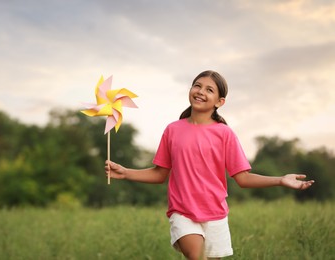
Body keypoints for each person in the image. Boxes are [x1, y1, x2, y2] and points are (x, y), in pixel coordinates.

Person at [104, 70, 314, 260]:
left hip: (215, 214)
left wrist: (280, 180)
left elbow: (243, 178)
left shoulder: (224, 133)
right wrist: (126, 173)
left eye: (209, 89)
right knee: (197, 256)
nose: (200, 91)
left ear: (219, 102)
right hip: (182, 211)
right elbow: (160, 174)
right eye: (197, 85)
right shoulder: (173, 130)